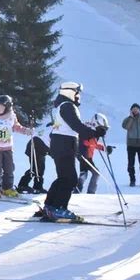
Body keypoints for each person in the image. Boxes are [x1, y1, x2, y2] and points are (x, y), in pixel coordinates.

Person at [42, 82, 106, 222]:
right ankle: (59, 208)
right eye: (77, 93)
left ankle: (50, 206)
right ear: (70, 92)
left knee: (64, 177)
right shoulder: (67, 106)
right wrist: (95, 133)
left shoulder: (64, 106)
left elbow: (75, 127)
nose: (79, 96)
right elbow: (77, 126)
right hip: (64, 145)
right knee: (70, 179)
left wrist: (93, 133)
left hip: (63, 144)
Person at [0, 95, 33, 198]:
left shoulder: (11, 116)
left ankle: (7, 188)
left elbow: (16, 127)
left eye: (1, 107)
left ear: (7, 107)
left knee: (9, 169)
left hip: (8, 147)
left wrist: (26, 131)